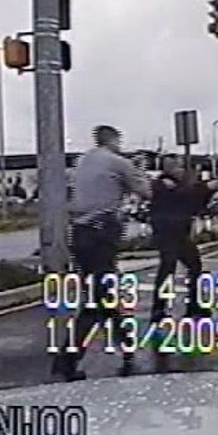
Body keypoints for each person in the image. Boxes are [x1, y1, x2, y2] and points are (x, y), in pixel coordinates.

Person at [51, 125, 153, 381]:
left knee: (103, 293)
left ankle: (127, 350)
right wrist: (139, 168)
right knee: (98, 301)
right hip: (101, 234)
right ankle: (66, 360)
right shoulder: (118, 163)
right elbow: (147, 192)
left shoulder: (82, 161)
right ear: (114, 139)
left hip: (81, 234)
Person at [149, 158, 218, 325]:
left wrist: (208, 191)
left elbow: (194, 204)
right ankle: (159, 309)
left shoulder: (179, 184)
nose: (181, 170)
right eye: (178, 166)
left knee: (194, 265)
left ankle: (194, 305)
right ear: (169, 168)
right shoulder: (162, 184)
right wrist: (206, 188)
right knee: (168, 268)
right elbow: (186, 197)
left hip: (180, 233)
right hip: (167, 232)